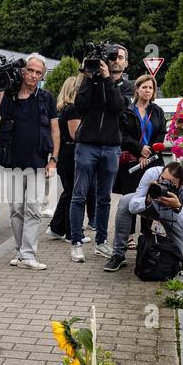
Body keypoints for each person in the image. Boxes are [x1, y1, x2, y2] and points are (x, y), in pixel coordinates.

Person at [0, 53, 59, 271]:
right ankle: (20, 252)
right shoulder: (9, 97)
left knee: (33, 210)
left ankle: (28, 254)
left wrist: (54, 159)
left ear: (42, 76)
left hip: (37, 162)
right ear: (23, 71)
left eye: (38, 72)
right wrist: (1, 93)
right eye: (30, 70)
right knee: (16, 209)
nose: (33, 75)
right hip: (13, 162)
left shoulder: (46, 98)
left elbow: (55, 131)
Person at [68, 54, 125, 262]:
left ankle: (101, 242)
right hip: (87, 145)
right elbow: (80, 105)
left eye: (120, 58)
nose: (116, 61)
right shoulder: (89, 81)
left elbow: (118, 106)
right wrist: (88, 76)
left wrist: (108, 79)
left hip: (110, 146)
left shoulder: (122, 85)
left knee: (104, 198)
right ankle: (76, 242)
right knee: (79, 195)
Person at [103, 160, 183, 273]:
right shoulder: (152, 173)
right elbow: (133, 206)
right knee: (125, 201)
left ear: (179, 185)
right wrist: (148, 200)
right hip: (152, 206)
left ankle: (175, 263)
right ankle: (118, 255)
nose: (164, 184)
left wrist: (178, 207)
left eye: (170, 183)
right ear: (161, 173)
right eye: (162, 179)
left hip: (173, 214)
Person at [114, 74, 168, 248]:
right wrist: (139, 149)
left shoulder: (157, 111)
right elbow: (122, 134)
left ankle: (148, 234)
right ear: (137, 89)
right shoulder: (127, 111)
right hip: (132, 161)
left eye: (150, 88)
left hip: (153, 160)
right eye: (144, 87)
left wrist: (149, 150)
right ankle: (128, 236)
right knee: (131, 197)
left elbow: (161, 133)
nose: (147, 90)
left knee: (151, 197)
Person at [46, 73, 95, 242]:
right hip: (72, 154)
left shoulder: (65, 109)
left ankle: (57, 228)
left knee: (68, 193)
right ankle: (71, 232)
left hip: (66, 155)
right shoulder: (73, 109)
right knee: (74, 194)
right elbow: (76, 134)